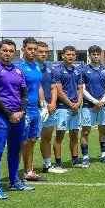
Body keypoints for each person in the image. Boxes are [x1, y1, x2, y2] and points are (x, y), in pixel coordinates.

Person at [0, 39, 34, 199]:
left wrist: (22, 112)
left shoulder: (18, 71)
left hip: (18, 117)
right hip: (0, 117)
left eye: (11, 51)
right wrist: (9, 114)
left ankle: (14, 182)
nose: (8, 53)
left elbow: (24, 94)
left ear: (15, 53)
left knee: (15, 151)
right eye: (5, 50)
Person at [16, 37, 45, 181]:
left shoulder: (37, 66)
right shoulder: (19, 67)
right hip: (24, 109)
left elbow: (39, 86)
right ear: (23, 49)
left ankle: (29, 172)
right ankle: (14, 175)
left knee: (32, 140)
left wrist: (43, 103)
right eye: (30, 49)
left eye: (35, 49)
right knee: (22, 142)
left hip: (35, 109)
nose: (33, 52)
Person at [80, 45, 105, 166]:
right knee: (86, 131)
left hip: (103, 106)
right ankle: (85, 157)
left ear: (100, 55)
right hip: (88, 106)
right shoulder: (84, 70)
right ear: (89, 56)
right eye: (93, 54)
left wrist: (101, 102)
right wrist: (95, 102)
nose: (96, 56)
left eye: (98, 54)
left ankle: (104, 156)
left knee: (103, 130)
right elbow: (82, 90)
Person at [53, 46, 83, 169]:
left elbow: (80, 89)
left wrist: (78, 103)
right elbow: (59, 91)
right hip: (62, 108)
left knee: (74, 133)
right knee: (60, 134)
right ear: (63, 56)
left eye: (73, 55)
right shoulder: (58, 70)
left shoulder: (77, 71)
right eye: (68, 54)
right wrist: (71, 104)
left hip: (75, 107)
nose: (70, 56)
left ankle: (75, 160)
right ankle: (58, 162)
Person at [37, 41, 62, 174]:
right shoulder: (30, 67)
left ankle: (47, 165)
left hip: (50, 108)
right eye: (41, 51)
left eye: (46, 52)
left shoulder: (49, 67)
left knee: (47, 137)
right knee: (29, 140)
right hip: (35, 108)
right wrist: (45, 105)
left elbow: (54, 87)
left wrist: (52, 104)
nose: (44, 54)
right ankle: (22, 171)